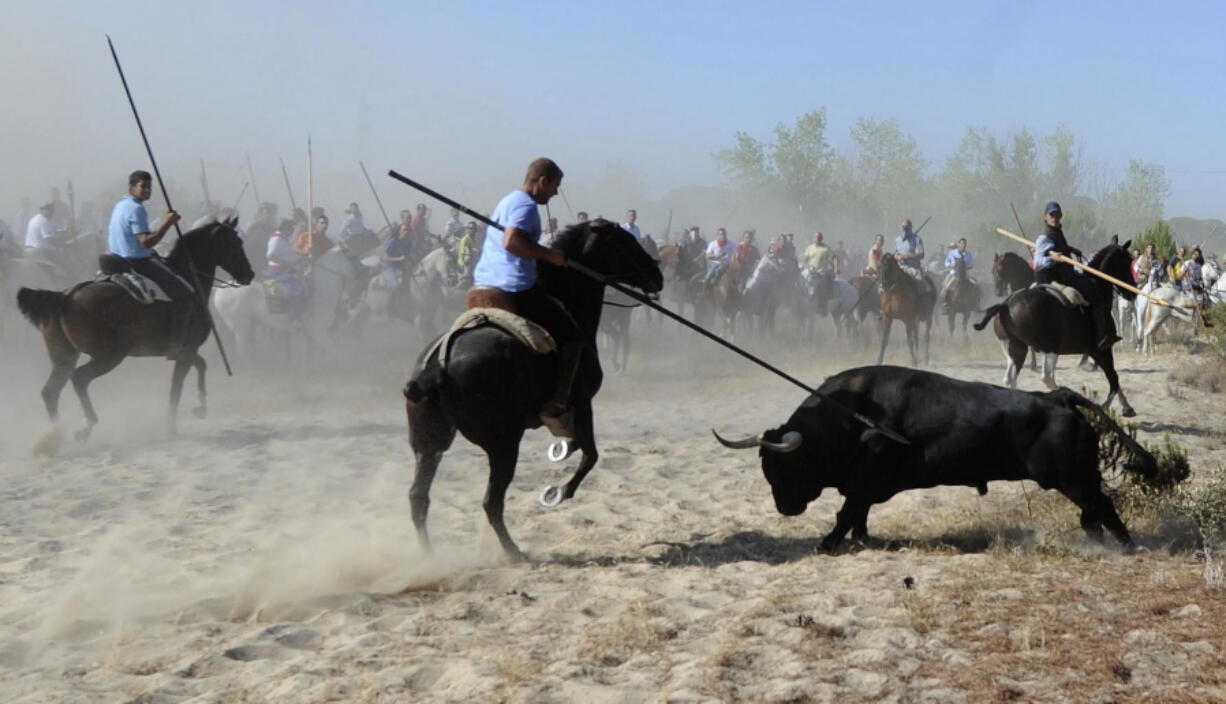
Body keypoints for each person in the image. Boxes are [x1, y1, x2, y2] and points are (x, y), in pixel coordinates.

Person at [471, 157, 583, 419]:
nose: (555, 192)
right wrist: (550, 256)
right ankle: (558, 402)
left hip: (483, 283)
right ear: (542, 181)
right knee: (572, 336)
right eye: (555, 186)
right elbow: (512, 242)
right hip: (513, 285)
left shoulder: (507, 200)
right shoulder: (527, 206)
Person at [107, 170, 194, 358]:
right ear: (132, 187)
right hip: (137, 263)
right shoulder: (137, 209)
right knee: (185, 295)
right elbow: (145, 241)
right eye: (143, 186)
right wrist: (168, 222)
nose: (147, 190)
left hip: (117, 258)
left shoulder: (121, 205)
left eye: (149, 186)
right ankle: (176, 346)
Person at [1032, 201, 1117, 350]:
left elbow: (1059, 247)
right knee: (1096, 297)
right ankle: (1100, 338)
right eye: (1052, 214)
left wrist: (1070, 249)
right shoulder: (1045, 237)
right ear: (1045, 217)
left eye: (1057, 214)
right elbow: (1037, 262)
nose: (1055, 217)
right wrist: (1053, 259)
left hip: (1066, 274)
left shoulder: (1057, 232)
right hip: (1061, 278)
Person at [801, 231, 836, 313]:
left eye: (819, 237)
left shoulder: (826, 248)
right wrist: (804, 261)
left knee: (821, 286)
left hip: (822, 272)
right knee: (800, 281)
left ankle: (822, 307)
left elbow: (834, 257)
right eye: (816, 237)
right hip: (811, 271)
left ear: (822, 239)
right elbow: (806, 258)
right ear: (813, 238)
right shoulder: (809, 247)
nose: (817, 239)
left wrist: (835, 267)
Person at [940, 237, 975, 311]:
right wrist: (951, 266)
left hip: (965, 274)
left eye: (965, 244)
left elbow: (971, 264)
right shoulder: (952, 253)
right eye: (962, 243)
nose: (963, 245)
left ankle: (974, 304)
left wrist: (965, 268)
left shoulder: (968, 254)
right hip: (953, 274)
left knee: (974, 285)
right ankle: (945, 305)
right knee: (945, 288)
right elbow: (946, 262)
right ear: (958, 244)